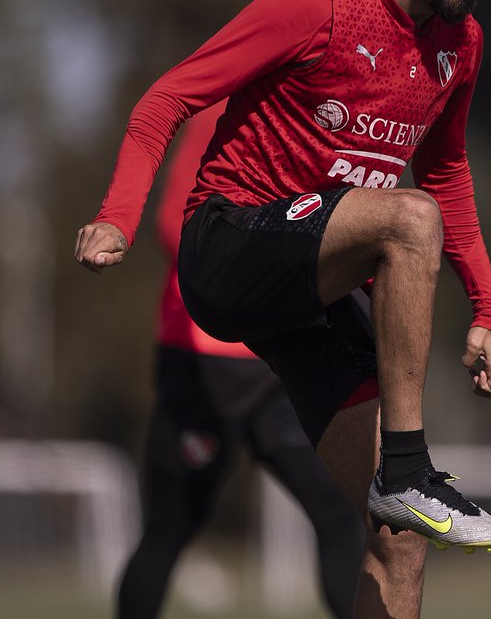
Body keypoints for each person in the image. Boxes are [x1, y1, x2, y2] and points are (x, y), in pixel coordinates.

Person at [74, 0, 491, 617]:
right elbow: (165, 100)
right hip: (229, 246)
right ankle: (408, 473)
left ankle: (402, 490)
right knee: (409, 222)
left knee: (400, 539)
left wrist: (489, 308)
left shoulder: (462, 45)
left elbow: (445, 173)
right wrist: (117, 217)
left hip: (306, 296)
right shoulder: (319, 2)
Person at [117, 103, 365, 619]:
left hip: (288, 353)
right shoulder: (219, 114)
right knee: (169, 528)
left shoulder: (324, 117)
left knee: (340, 515)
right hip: (206, 359)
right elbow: (172, 225)